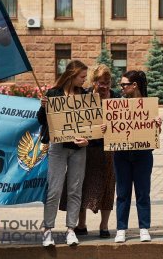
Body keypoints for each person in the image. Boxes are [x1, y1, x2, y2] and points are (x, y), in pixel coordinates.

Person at [60, 64, 118, 238]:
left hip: (108, 150)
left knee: (108, 186)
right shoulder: (83, 97)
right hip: (86, 148)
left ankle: (104, 226)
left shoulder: (115, 97)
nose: (105, 86)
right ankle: (81, 224)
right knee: (81, 186)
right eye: (101, 83)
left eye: (107, 82)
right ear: (93, 82)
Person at [37, 60, 90, 247]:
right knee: (54, 189)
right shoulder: (53, 94)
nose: (85, 80)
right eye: (82, 77)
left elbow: (91, 124)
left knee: (75, 190)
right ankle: (47, 230)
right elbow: (41, 120)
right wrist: (43, 107)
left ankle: (70, 230)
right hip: (57, 148)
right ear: (71, 75)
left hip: (78, 149)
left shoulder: (85, 95)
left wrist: (88, 140)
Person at [113, 70, 162, 243]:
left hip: (143, 154)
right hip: (121, 154)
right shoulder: (117, 104)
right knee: (122, 192)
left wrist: (157, 125)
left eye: (124, 84)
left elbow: (154, 134)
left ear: (134, 86)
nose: (121, 87)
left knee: (143, 192)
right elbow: (111, 129)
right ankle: (121, 229)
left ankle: (144, 227)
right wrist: (107, 129)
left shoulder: (148, 105)